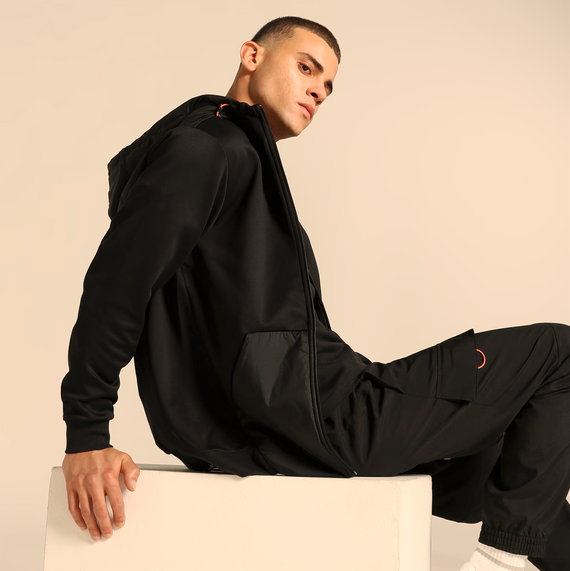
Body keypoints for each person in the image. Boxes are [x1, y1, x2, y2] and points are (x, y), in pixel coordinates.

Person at [61, 16, 569, 571]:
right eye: (306, 68)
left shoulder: (237, 158)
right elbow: (118, 283)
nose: (318, 91)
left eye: (327, 87)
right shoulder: (207, 150)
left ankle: (515, 547)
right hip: (325, 417)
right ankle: (501, 561)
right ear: (252, 56)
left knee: (521, 470)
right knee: (559, 354)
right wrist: (87, 434)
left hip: (288, 428)